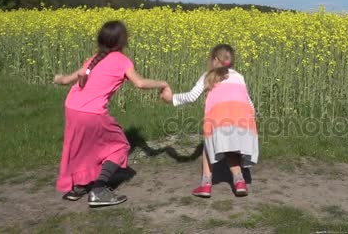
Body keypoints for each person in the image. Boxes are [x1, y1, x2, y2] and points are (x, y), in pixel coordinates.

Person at [53, 20, 168, 207]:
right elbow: (139, 83)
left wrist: (58, 79)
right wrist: (162, 83)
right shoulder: (122, 61)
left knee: (82, 147)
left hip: (72, 107)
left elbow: (68, 79)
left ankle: (79, 187)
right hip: (91, 111)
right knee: (120, 146)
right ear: (122, 41)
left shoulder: (94, 58)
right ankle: (98, 190)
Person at [161, 44, 258, 198]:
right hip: (243, 118)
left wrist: (171, 99)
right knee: (231, 148)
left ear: (214, 60)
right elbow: (249, 102)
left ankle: (206, 185)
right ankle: (239, 182)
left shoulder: (208, 76)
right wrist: (252, 118)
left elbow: (192, 96)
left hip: (218, 118)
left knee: (208, 145)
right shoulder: (239, 77)